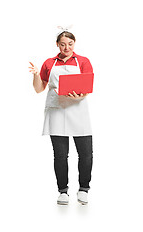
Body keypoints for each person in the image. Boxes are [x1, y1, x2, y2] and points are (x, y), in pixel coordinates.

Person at [29, 26, 94, 205]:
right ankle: (63, 191)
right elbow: (38, 89)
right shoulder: (50, 63)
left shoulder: (83, 61)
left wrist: (81, 95)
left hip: (78, 110)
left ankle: (83, 189)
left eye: (70, 44)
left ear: (74, 44)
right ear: (57, 45)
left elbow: (87, 86)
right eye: (63, 44)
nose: (67, 48)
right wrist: (35, 75)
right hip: (56, 110)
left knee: (86, 154)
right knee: (60, 155)